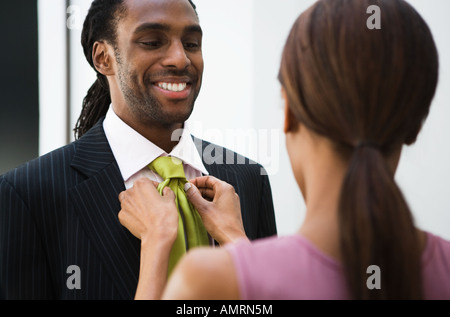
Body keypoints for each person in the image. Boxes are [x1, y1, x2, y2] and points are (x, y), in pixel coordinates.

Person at [118, 0, 450, 300]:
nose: (179, 57)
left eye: (191, 44)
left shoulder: (207, 279)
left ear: (288, 110)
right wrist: (237, 241)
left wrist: (159, 241)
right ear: (415, 125)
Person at [0, 0, 277, 300]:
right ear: (103, 57)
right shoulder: (30, 194)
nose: (180, 58)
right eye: (152, 42)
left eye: (192, 43)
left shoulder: (249, 181)